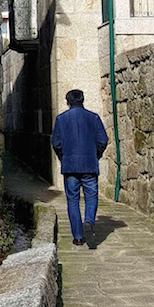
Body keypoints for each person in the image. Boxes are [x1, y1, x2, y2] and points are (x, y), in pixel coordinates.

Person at [51, 89, 109, 248]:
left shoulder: (61, 119)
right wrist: (94, 155)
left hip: (70, 167)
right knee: (91, 196)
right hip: (89, 166)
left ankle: (77, 237)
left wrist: (64, 158)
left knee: (72, 201)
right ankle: (89, 221)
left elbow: (56, 143)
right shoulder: (93, 118)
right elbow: (103, 140)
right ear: (82, 100)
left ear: (67, 102)